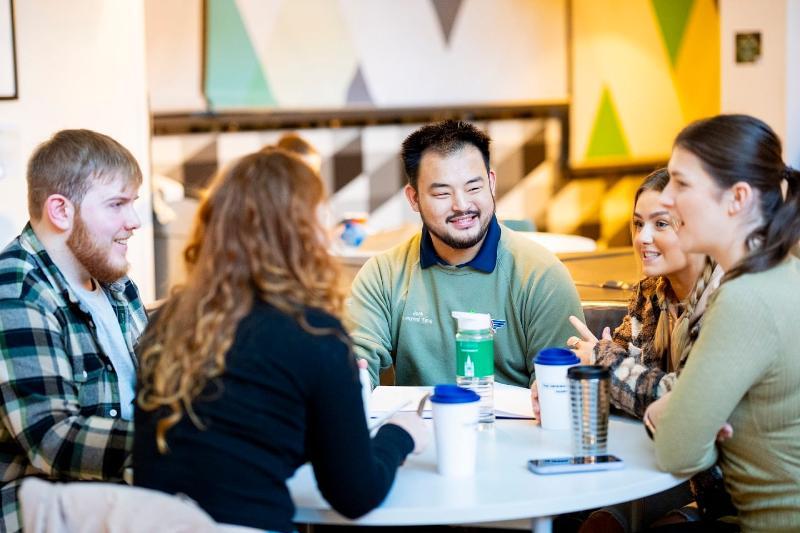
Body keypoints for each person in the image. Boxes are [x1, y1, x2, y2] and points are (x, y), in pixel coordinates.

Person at [134, 148, 427, 533]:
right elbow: (356, 495)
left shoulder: (169, 320)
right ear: (302, 233)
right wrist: (399, 434)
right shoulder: (314, 334)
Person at [646, 114, 800, 531]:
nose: (668, 200)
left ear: (737, 198)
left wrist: (669, 414)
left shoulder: (745, 298)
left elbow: (678, 450)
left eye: (682, 184)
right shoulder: (783, 272)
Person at [348, 119, 583, 389]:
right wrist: (354, 378)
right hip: (418, 429)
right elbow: (357, 363)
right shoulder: (383, 274)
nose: (461, 206)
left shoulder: (541, 275)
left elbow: (562, 388)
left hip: (519, 430)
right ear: (414, 199)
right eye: (442, 193)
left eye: (473, 188)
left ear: (491, 183)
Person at [0, 129, 148, 533]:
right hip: (42, 515)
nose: (134, 221)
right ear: (61, 211)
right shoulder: (16, 294)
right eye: (117, 204)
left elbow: (153, 392)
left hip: (118, 499)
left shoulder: (115, 284)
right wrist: (172, 447)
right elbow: (52, 439)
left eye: (132, 203)